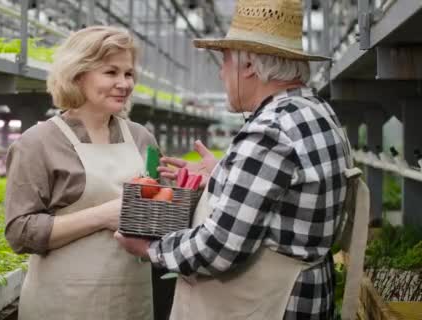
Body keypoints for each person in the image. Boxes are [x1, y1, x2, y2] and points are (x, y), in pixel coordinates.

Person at [115, 0, 367, 319]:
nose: (221, 72)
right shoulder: (316, 111)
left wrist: (151, 249)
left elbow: (220, 246)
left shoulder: (269, 131)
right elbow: (290, 192)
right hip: (310, 295)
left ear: (248, 66)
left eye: (225, 60)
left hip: (271, 304)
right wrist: (224, 172)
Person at [4, 26, 157, 319]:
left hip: (131, 299)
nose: (124, 83)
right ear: (78, 74)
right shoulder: (38, 143)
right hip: (64, 303)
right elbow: (19, 233)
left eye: (128, 74)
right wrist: (103, 215)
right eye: (111, 72)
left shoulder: (141, 139)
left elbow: (154, 216)